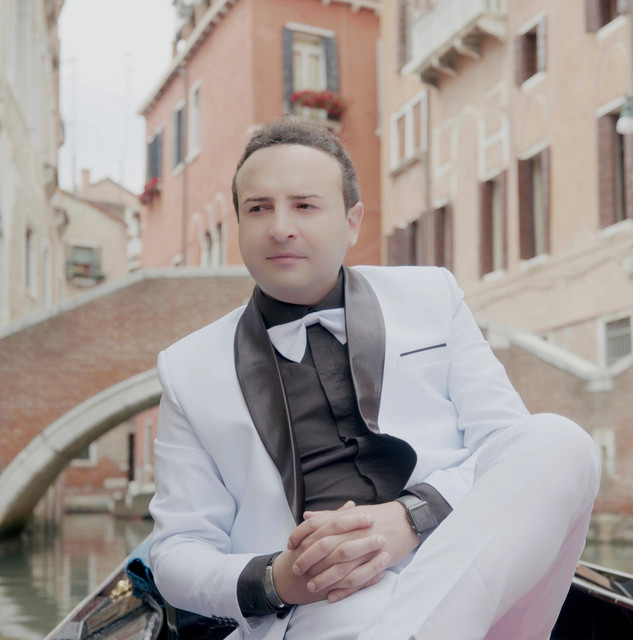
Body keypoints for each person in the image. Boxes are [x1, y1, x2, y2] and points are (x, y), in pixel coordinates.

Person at [149, 119, 600, 640]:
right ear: (239, 225)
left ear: (352, 222)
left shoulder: (433, 296)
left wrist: (411, 518)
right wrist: (281, 579)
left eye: (305, 205)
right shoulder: (187, 368)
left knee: (560, 441)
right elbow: (177, 552)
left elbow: (503, 447)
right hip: (325, 600)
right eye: (258, 208)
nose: (280, 227)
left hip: (463, 556)